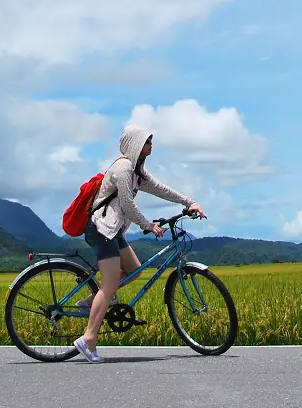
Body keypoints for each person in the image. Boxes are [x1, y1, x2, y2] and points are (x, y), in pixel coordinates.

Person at [73, 123, 206, 363]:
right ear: (135, 144)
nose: (151, 145)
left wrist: (188, 202)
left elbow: (159, 189)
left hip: (114, 231)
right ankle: (88, 338)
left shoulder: (137, 172)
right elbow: (126, 204)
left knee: (134, 271)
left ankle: (92, 302)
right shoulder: (123, 169)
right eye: (147, 141)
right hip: (102, 230)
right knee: (111, 282)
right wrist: (148, 225)